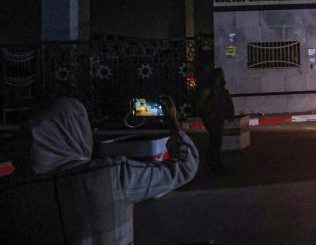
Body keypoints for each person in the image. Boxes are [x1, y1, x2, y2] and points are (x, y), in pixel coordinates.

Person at [0, 95, 198, 244]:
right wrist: (174, 125)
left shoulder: (11, 194)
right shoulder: (113, 176)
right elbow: (184, 165)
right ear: (78, 131)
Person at [198, 67, 235, 170]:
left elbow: (227, 102)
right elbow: (201, 105)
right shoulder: (209, 89)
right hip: (212, 118)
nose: (222, 76)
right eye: (220, 74)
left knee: (217, 140)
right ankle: (212, 162)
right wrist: (208, 115)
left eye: (222, 74)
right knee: (215, 139)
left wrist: (230, 114)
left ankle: (215, 161)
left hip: (220, 117)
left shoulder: (221, 89)